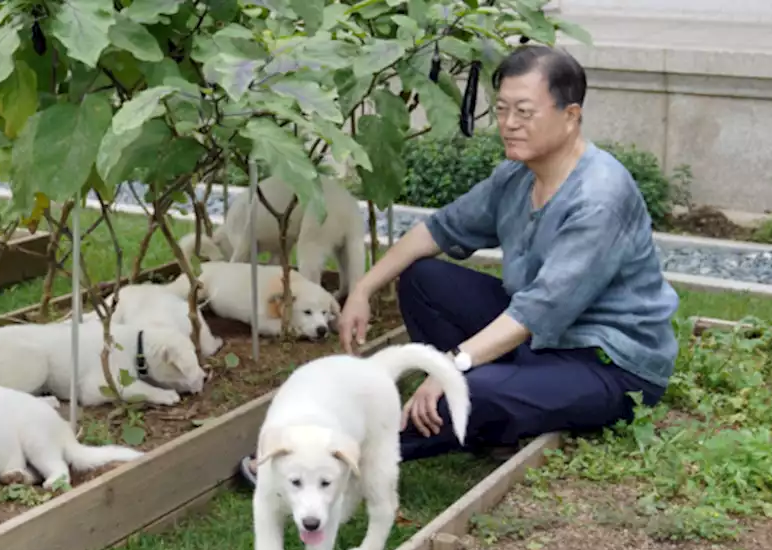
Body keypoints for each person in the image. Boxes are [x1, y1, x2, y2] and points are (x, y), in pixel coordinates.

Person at [235, 44, 680, 487]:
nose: (508, 124)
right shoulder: (518, 176)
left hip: (606, 364)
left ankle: (317, 459)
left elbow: (538, 311)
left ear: (570, 116)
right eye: (502, 108)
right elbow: (438, 231)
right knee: (423, 279)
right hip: (541, 342)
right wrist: (363, 289)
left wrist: (452, 366)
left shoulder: (598, 198)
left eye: (524, 111)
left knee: (468, 392)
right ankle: (502, 406)